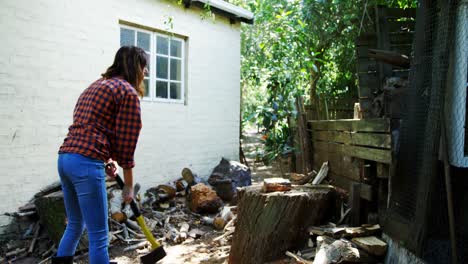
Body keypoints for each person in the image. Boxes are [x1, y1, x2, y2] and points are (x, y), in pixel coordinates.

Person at [52, 46, 147, 264]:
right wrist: (129, 186)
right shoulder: (127, 92)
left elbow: (91, 127)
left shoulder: (95, 86)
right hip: (85, 162)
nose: (146, 73)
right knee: (99, 236)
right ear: (135, 67)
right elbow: (127, 143)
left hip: (66, 158)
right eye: (144, 67)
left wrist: (105, 158)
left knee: (76, 223)